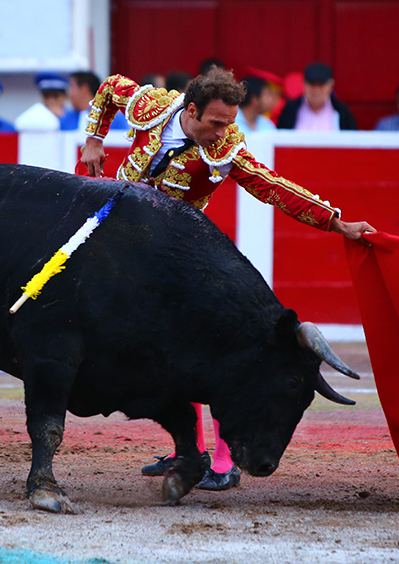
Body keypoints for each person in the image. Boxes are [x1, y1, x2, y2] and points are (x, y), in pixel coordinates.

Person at [79, 69, 375, 491]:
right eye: (217, 122)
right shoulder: (153, 106)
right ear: (191, 109)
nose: (224, 131)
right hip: (122, 247)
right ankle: (191, 452)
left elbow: (273, 186)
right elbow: (109, 88)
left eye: (230, 122)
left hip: (177, 254)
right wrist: (94, 139)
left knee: (205, 356)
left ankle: (222, 462)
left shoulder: (225, 146)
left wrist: (336, 222)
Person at [277, 62, 357, 131]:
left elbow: (352, 142)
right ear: (304, 84)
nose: (316, 90)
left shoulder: (342, 112)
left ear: (330, 85)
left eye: (321, 85)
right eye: (312, 84)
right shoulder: (290, 110)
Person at [59, 71, 127, 132]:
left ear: (84, 88)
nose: (68, 93)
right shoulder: (66, 120)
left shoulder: (113, 118)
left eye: (72, 87)